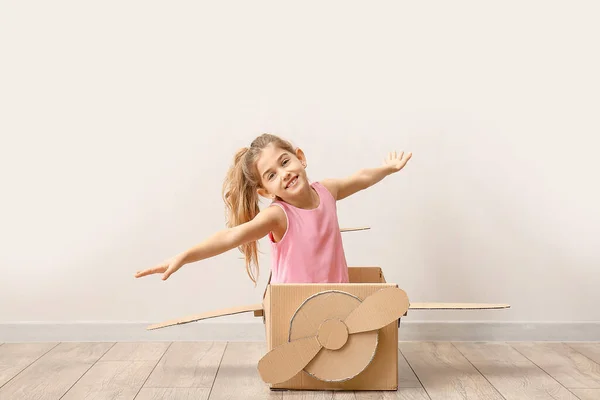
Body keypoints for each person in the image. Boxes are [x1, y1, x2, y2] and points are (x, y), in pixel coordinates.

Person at [134, 133, 412, 285]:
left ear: (300, 158)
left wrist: (387, 169)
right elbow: (231, 236)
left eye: (285, 161)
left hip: (336, 296)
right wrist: (184, 256)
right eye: (271, 175)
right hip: (293, 307)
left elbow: (361, 178)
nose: (284, 174)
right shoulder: (279, 216)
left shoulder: (327, 190)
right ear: (266, 191)